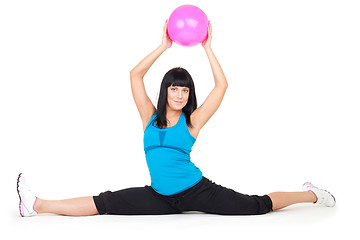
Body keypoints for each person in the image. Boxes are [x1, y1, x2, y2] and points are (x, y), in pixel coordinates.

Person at [16, 20, 335, 217]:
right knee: (105, 203)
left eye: (185, 90)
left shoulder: (193, 121)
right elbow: (134, 75)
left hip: (197, 191)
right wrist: (163, 46)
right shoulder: (148, 117)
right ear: (165, 90)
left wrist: (208, 47)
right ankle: (37, 205)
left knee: (256, 206)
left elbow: (222, 86)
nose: (180, 95)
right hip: (159, 196)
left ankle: (312, 194)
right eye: (174, 88)